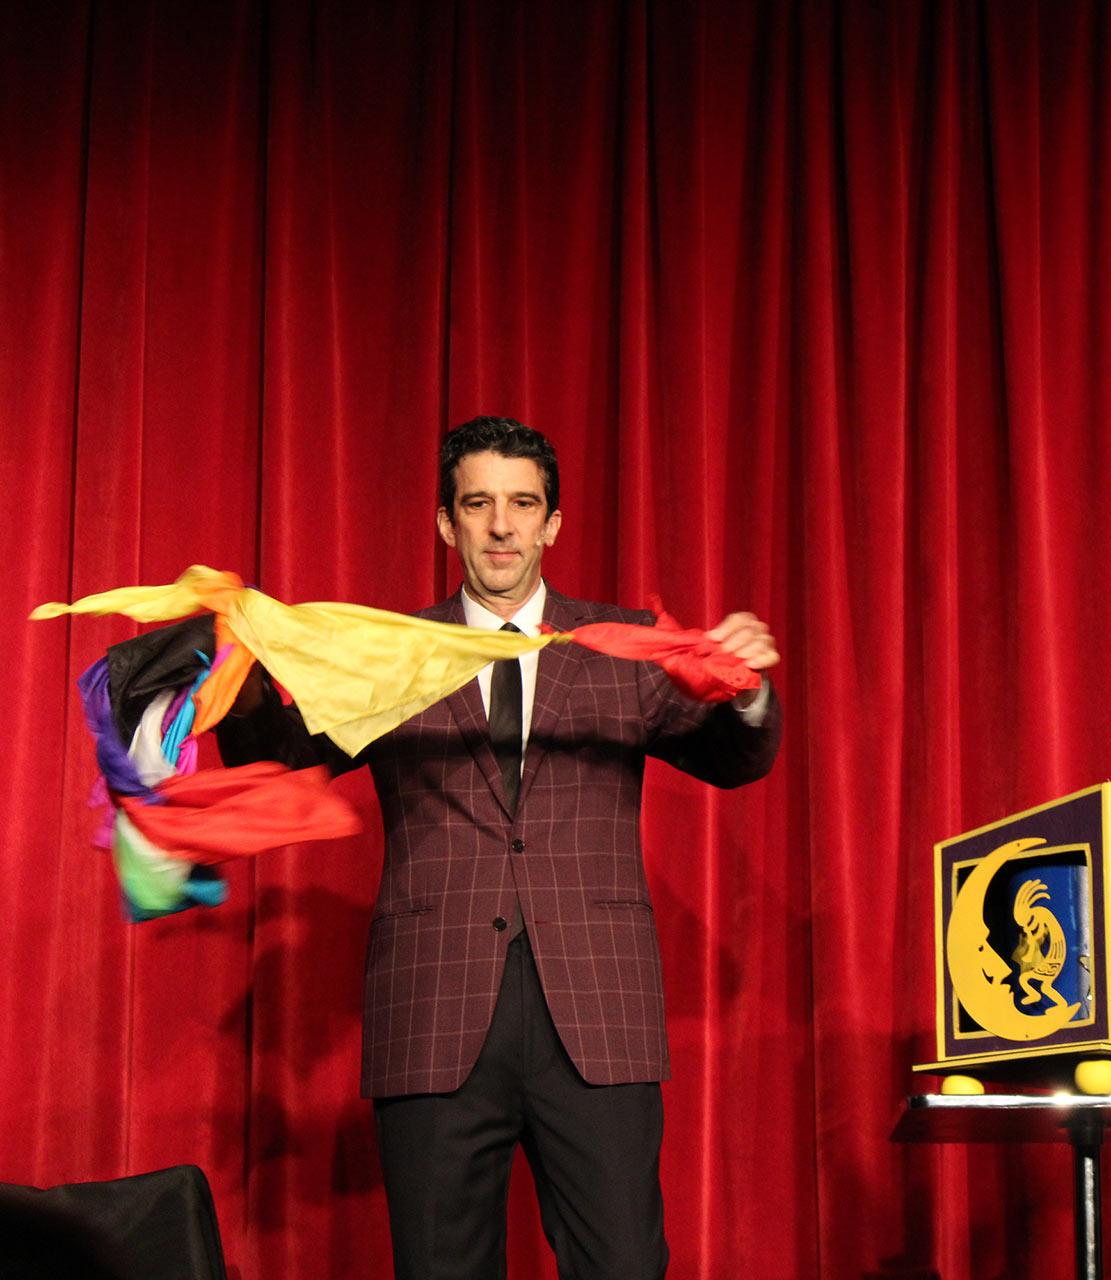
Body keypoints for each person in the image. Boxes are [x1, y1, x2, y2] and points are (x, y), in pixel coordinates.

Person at [217, 416, 781, 1280]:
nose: (502, 525)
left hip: (594, 1013)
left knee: (625, 1264)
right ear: (447, 522)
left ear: (552, 522)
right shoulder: (392, 654)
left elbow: (730, 759)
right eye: (478, 504)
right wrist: (247, 689)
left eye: (523, 504)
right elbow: (282, 762)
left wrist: (743, 695)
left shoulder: (623, 649)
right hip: (435, 1011)